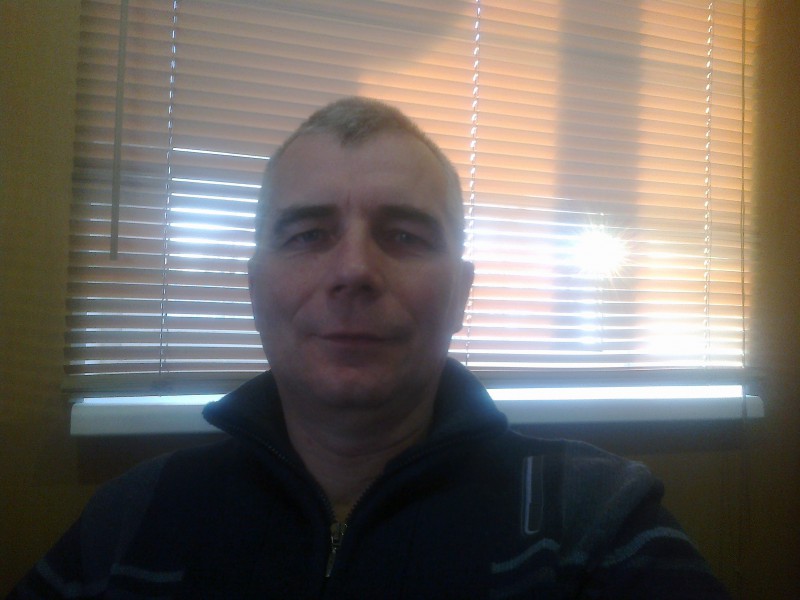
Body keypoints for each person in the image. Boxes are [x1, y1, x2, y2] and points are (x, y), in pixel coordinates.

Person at [9, 97, 731, 599]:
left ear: (461, 293)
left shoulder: (594, 521)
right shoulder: (129, 522)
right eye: (309, 234)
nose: (354, 270)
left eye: (404, 235)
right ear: (256, 287)